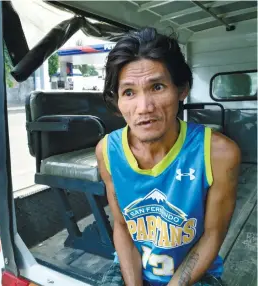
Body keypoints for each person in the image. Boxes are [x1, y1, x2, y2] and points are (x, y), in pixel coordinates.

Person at [95, 27, 241, 286]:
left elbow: (213, 234)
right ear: (117, 101)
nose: (144, 108)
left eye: (157, 87)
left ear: (181, 90)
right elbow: (122, 227)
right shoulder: (107, 151)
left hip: (195, 273)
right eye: (129, 92)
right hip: (132, 267)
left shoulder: (219, 153)